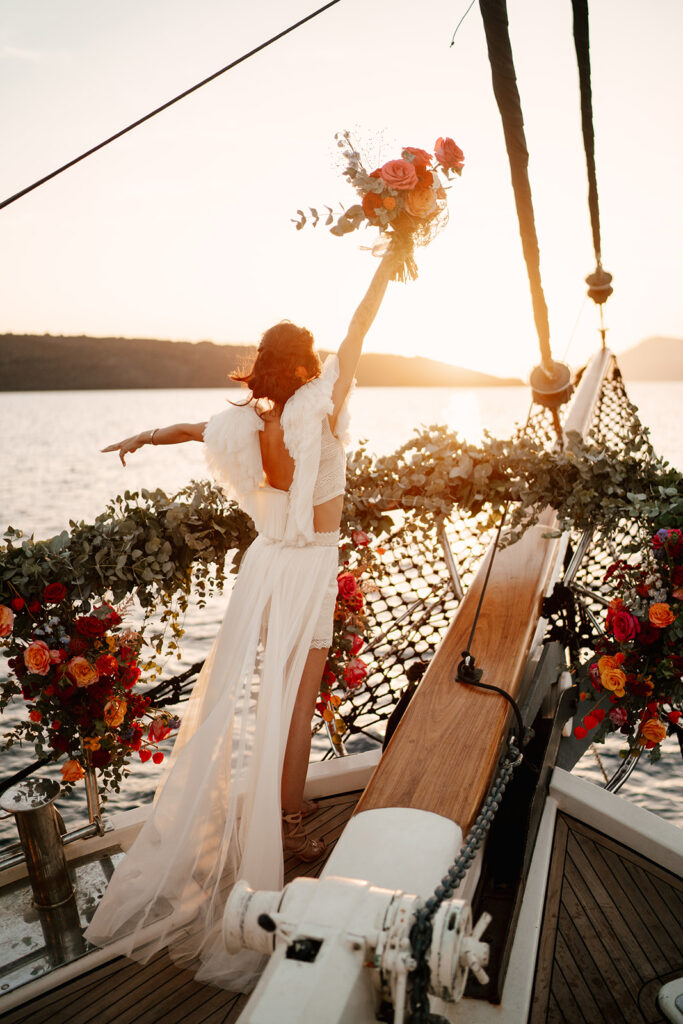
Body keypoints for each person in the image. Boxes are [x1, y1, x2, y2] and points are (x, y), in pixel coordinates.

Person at [83, 251, 396, 992]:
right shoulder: (319, 402)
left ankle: (282, 819)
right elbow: (360, 325)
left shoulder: (252, 422)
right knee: (297, 694)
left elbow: (194, 428)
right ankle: (284, 826)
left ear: (263, 366)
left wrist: (141, 436)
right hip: (311, 561)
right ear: (307, 362)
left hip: (272, 564)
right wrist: (391, 254)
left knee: (275, 696)